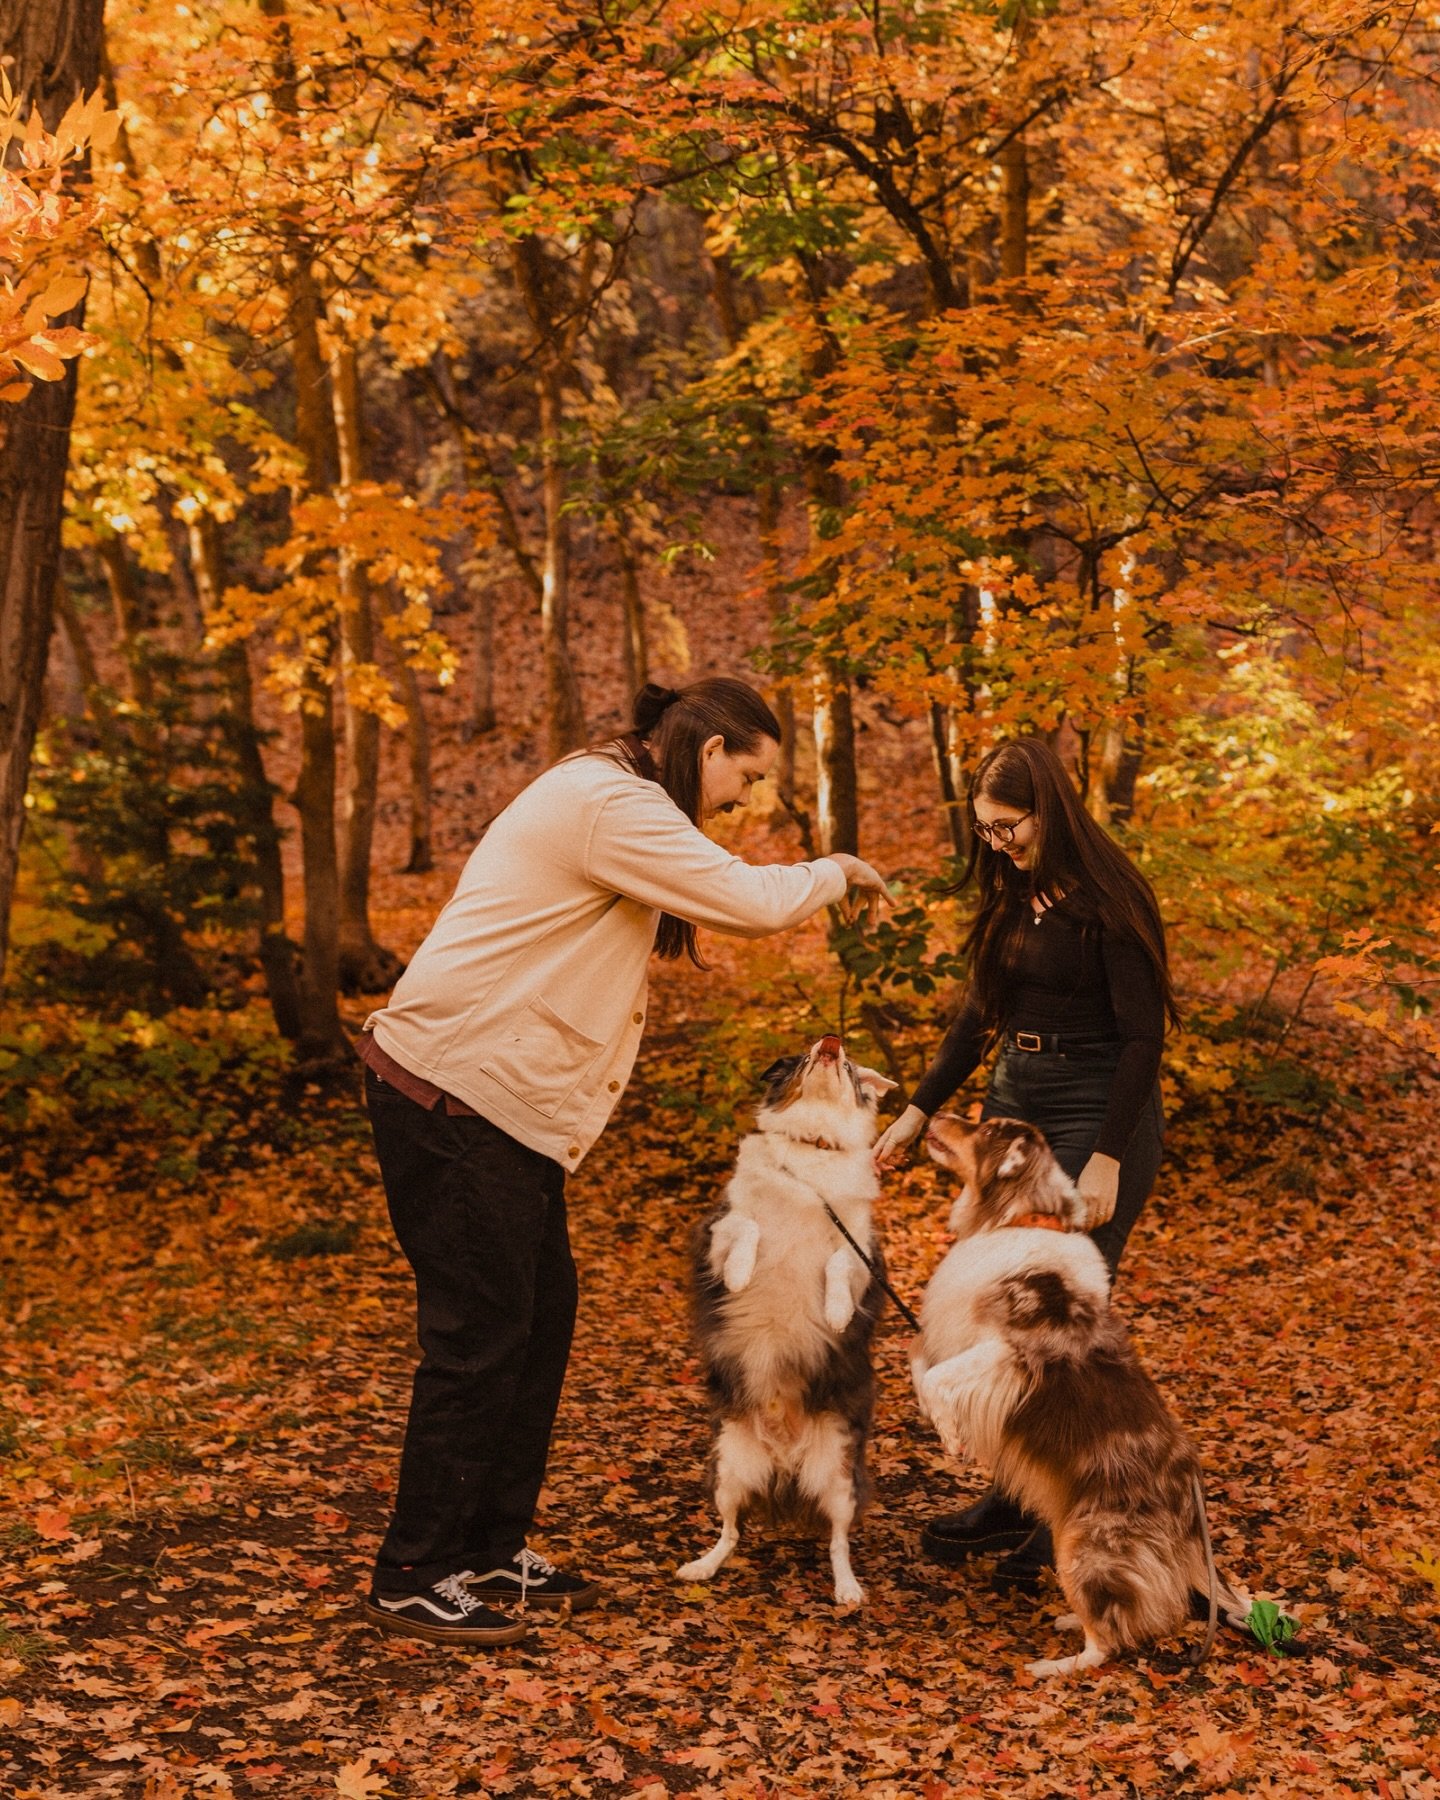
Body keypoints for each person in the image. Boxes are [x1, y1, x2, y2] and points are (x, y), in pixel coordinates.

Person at [357, 677, 890, 1647]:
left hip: (497, 1112)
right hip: (452, 1094)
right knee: (479, 1336)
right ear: (706, 743)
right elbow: (741, 899)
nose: (744, 799)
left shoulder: (622, 794)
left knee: (538, 1322)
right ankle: (414, 1569)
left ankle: (485, 1547)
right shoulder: (610, 800)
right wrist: (834, 871)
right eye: (746, 773)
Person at [873, 736, 1179, 1591]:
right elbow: (977, 1018)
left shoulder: (1111, 901)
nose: (998, 845)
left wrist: (1109, 1158)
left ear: (1049, 808)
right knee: (992, 1316)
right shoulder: (1013, 898)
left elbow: (1142, 1040)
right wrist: (917, 1111)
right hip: (1018, 1096)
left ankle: (1066, 1517)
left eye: (1009, 828)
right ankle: (1011, 1497)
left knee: (1053, 1334)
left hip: (1095, 1108)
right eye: (987, 832)